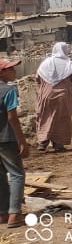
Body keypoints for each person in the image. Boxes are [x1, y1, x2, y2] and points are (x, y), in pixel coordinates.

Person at [0, 58, 30, 228]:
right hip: (7, 138)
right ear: (2, 73)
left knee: (0, 176)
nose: (14, 71)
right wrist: (22, 141)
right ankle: (14, 214)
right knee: (17, 174)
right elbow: (12, 117)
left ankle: (3, 212)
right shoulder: (9, 90)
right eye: (10, 69)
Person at [34, 42, 72, 152]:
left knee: (45, 117)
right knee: (61, 119)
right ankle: (58, 143)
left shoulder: (45, 63)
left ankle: (42, 142)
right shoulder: (68, 64)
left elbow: (37, 79)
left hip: (46, 96)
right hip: (62, 97)